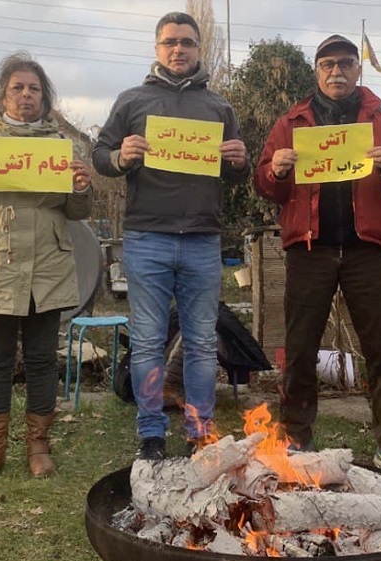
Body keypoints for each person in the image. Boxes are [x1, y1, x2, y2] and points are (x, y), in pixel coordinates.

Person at [254, 34, 381, 477]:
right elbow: (264, 184)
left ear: (358, 70)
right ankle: (296, 439)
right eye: (327, 64)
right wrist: (275, 170)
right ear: (316, 71)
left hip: (365, 249)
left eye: (346, 64)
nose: (337, 72)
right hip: (309, 250)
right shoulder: (292, 122)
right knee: (300, 346)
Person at [92, 12, 250, 461]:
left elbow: (236, 175)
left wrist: (239, 160)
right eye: (169, 42)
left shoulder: (220, 107)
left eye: (186, 42)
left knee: (201, 342)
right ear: (157, 49)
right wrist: (120, 157)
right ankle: (151, 434)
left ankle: (199, 430)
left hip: (202, 239)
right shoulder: (131, 101)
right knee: (147, 341)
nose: (178, 49)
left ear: (198, 49)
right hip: (147, 239)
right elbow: (99, 154)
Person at [0, 52, 93, 481]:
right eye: (18, 88)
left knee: (43, 360)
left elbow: (77, 210)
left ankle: (39, 447)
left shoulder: (61, 144)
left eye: (35, 89)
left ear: (45, 97)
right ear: (2, 93)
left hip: (47, 264)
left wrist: (81, 187)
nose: (26, 96)